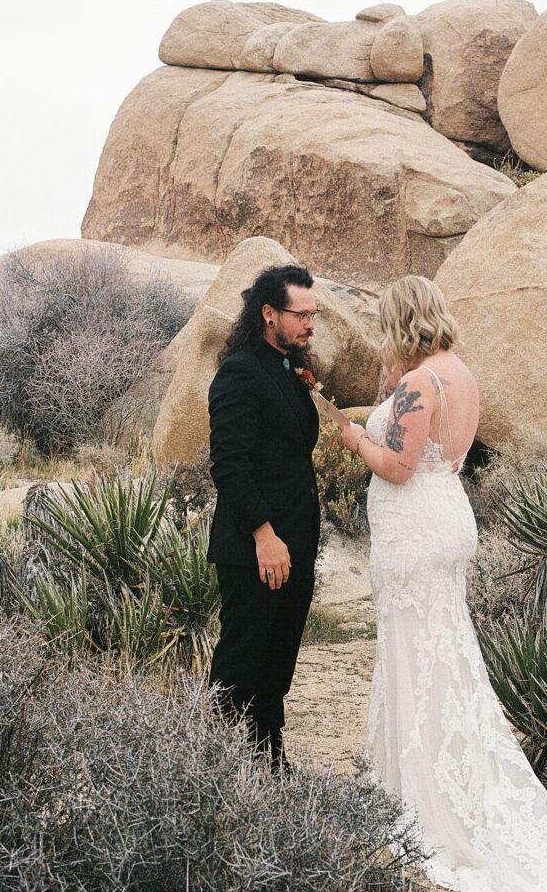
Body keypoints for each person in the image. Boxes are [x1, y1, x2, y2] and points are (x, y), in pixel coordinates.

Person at [338, 275, 547, 892]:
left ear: (401, 321)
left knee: (418, 652)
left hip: (416, 529)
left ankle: (425, 802)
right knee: (443, 651)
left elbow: (397, 467)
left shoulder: (421, 381)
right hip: (446, 514)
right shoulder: (460, 372)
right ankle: (446, 778)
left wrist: (356, 438)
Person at [207, 264, 321, 772]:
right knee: (241, 664)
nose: (310, 325)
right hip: (255, 547)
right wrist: (264, 536)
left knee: (277, 664)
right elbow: (228, 464)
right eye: (301, 315)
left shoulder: (289, 369)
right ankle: (213, 769)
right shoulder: (239, 371)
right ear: (269, 313)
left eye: (314, 315)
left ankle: (269, 764)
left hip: (295, 543)